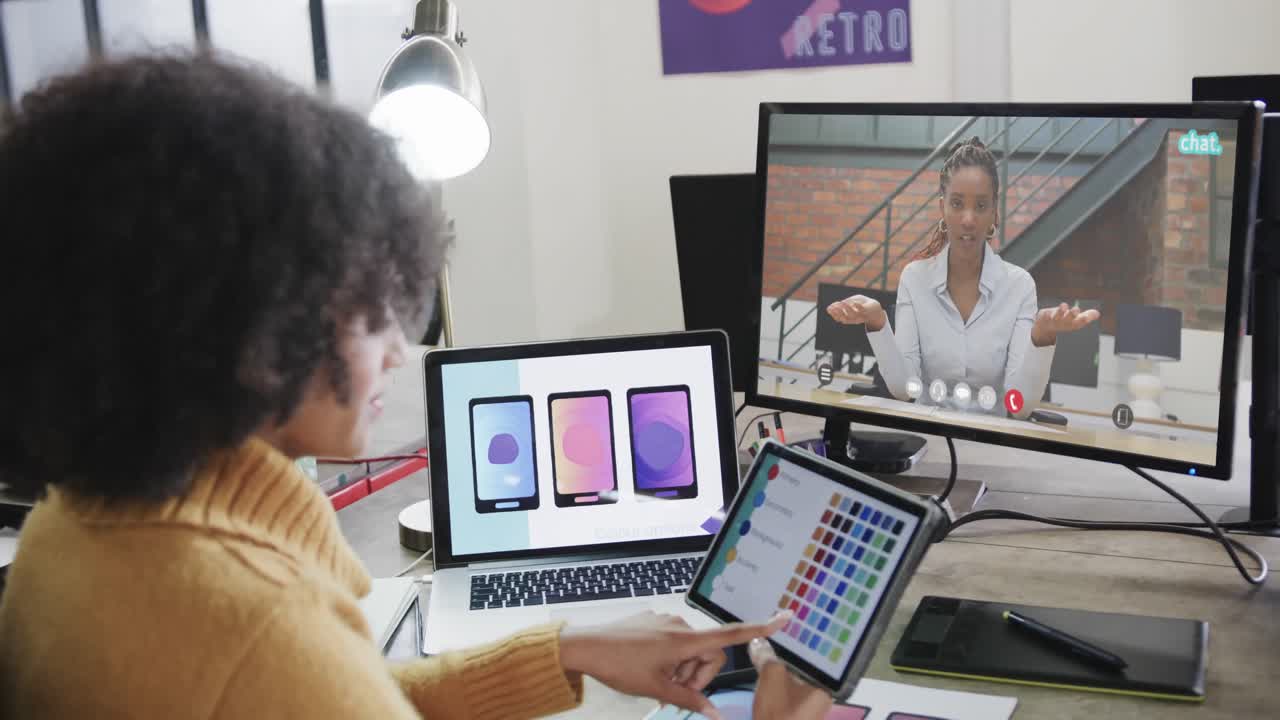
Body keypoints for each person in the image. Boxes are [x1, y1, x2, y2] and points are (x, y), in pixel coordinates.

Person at [0, 56, 831, 720]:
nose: (401, 347)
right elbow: (301, 681)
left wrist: (569, 650)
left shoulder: (68, 527)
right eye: (369, 304)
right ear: (244, 315)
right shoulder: (253, 629)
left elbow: (349, 696)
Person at [826, 137, 1100, 417]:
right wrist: (877, 322)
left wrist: (1042, 335)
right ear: (942, 208)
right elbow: (902, 389)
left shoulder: (1020, 286)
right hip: (928, 439)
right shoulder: (914, 278)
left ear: (995, 212)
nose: (968, 219)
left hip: (992, 448)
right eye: (957, 204)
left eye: (981, 206)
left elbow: (1019, 408)